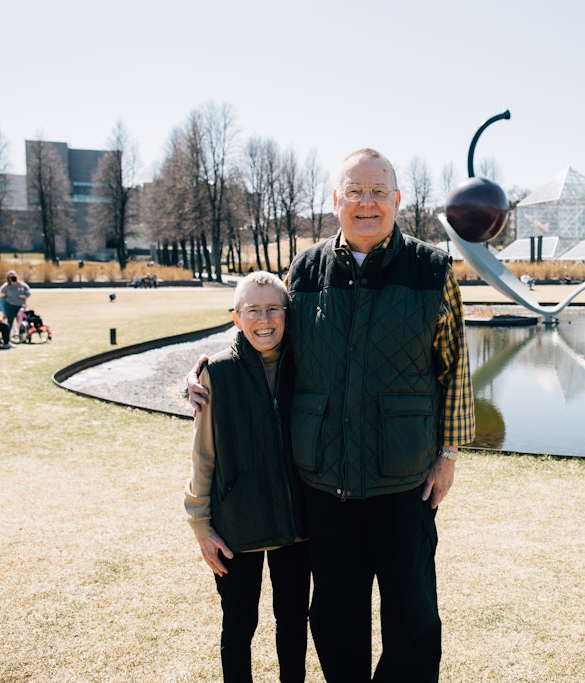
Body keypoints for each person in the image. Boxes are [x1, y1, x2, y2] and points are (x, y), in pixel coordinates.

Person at [189, 148, 475, 682]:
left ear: (397, 199)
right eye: (354, 192)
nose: (366, 203)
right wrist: (208, 366)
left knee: (412, 615)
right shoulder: (306, 268)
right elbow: (267, 332)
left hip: (404, 479)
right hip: (324, 482)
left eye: (377, 192)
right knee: (335, 617)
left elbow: (454, 367)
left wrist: (449, 453)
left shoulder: (432, 270)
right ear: (336, 200)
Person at [184, 271, 311, 682]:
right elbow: (203, 457)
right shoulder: (216, 374)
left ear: (288, 314)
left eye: (274, 308)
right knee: (238, 628)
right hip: (235, 528)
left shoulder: (307, 367)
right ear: (236, 318)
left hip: (297, 526)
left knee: (293, 623)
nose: (264, 319)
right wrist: (201, 525)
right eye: (252, 310)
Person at [0, 270, 31, 339]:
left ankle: (21, 336)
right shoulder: (7, 286)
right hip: (10, 306)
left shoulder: (21, 284)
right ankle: (7, 337)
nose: (13, 278)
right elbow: (1, 292)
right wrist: (5, 296)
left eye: (14, 276)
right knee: (10, 321)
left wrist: (25, 296)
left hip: (20, 306)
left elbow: (28, 292)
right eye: (11, 277)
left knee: (20, 322)